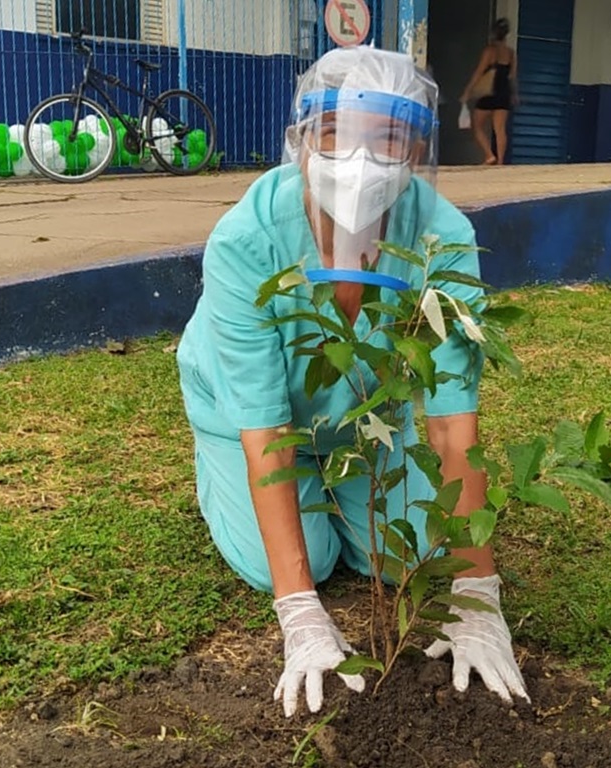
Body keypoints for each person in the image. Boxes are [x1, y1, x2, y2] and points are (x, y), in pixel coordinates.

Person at [176, 45, 528, 717]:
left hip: (363, 417)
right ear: (302, 141)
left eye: (389, 139)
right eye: (337, 135)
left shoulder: (440, 238)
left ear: (418, 150)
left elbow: (453, 420)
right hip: (249, 418)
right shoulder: (247, 240)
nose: (361, 163)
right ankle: (215, 468)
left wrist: (477, 595)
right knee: (287, 558)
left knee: (422, 555)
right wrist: (301, 614)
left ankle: (345, 475)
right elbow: (267, 429)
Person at [460, 17, 518, 165]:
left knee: (477, 126)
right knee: (500, 129)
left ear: (493, 33)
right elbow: (512, 77)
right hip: (504, 93)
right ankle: (500, 163)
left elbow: (478, 73)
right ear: (506, 34)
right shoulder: (511, 53)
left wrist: (468, 91)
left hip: (489, 94)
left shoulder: (490, 51)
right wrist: (515, 94)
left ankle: (489, 155)